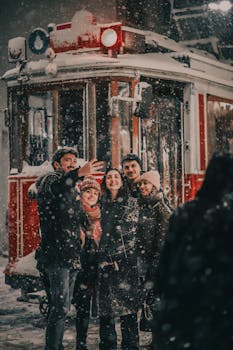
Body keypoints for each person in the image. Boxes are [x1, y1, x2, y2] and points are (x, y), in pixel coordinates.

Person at [155, 151, 233, 350]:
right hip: (220, 311)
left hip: (184, 306)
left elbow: (166, 263)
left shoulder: (185, 212)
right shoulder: (226, 216)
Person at [35, 147, 104, 350]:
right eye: (67, 160)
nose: (72, 164)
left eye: (74, 161)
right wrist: (79, 173)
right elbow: (58, 187)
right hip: (56, 256)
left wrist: (91, 228)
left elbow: (79, 217)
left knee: (64, 307)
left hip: (72, 256)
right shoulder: (49, 181)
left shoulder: (72, 188)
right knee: (60, 307)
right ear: (57, 164)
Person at [98, 168, 140, 350]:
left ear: (122, 181)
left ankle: (130, 347)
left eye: (116, 177)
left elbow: (133, 233)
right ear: (105, 181)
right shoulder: (100, 203)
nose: (113, 180)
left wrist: (121, 255)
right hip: (104, 265)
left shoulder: (131, 202)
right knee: (106, 313)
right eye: (109, 177)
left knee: (128, 312)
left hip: (126, 263)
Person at [136, 171, 171, 337]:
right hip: (144, 262)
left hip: (154, 265)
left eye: (146, 183)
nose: (142, 186)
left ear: (154, 186)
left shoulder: (161, 210)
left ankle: (158, 342)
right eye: (140, 184)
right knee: (150, 304)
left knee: (155, 304)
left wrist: (153, 269)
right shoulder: (144, 206)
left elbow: (162, 245)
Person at [73, 175, 102, 350]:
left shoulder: (101, 213)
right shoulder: (76, 213)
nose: (91, 195)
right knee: (83, 309)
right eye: (87, 191)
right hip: (83, 266)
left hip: (99, 265)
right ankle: (80, 344)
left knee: (103, 310)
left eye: (94, 192)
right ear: (81, 193)